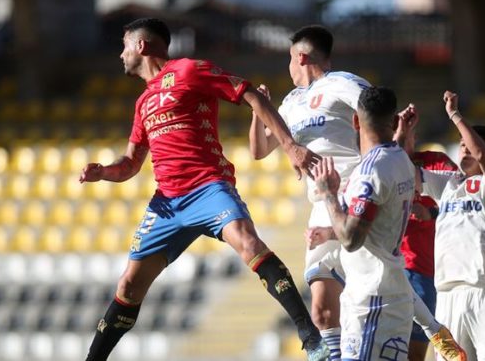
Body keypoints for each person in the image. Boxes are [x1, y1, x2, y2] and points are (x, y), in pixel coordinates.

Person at [79, 18, 330, 361]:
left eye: (124, 45)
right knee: (128, 286)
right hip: (166, 203)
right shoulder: (143, 104)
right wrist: (104, 172)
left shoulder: (188, 70)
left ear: (141, 46)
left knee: (248, 242)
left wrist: (290, 146)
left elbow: (252, 95)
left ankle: (309, 334)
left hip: (209, 187)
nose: (120, 54)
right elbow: (131, 164)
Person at [250, 25, 465, 361]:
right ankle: (432, 329)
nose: (288, 67)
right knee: (322, 309)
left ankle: (433, 330)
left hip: (356, 190)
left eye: (289, 59)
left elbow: (377, 117)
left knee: (375, 273)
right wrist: (258, 108)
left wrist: (390, 164)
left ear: (302, 56)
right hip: (322, 200)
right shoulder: (291, 103)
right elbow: (260, 149)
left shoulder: (343, 83)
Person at [311, 86, 416, 360]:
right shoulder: (401, 158)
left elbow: (351, 239)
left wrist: (328, 194)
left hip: (372, 299)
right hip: (389, 293)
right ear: (393, 122)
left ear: (355, 121)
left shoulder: (371, 172)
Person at [418, 90, 485, 361]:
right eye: (460, 144)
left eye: (469, 144)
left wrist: (455, 115)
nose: (463, 148)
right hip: (446, 293)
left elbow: (482, 157)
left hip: (482, 288)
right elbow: (409, 172)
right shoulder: (447, 184)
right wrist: (403, 132)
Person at [395, 105, 463, 361]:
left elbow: (462, 202)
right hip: (396, 266)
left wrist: (431, 214)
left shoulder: (437, 162)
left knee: (417, 352)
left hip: (429, 272)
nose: (400, 140)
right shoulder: (379, 167)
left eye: (404, 134)